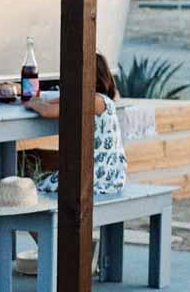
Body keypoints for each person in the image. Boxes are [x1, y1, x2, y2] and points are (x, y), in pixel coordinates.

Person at [27, 53, 127, 197]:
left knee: (36, 190)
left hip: (97, 174)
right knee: (42, 185)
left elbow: (47, 111)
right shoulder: (98, 99)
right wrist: (36, 99)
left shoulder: (95, 101)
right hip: (109, 172)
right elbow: (54, 101)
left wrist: (33, 102)